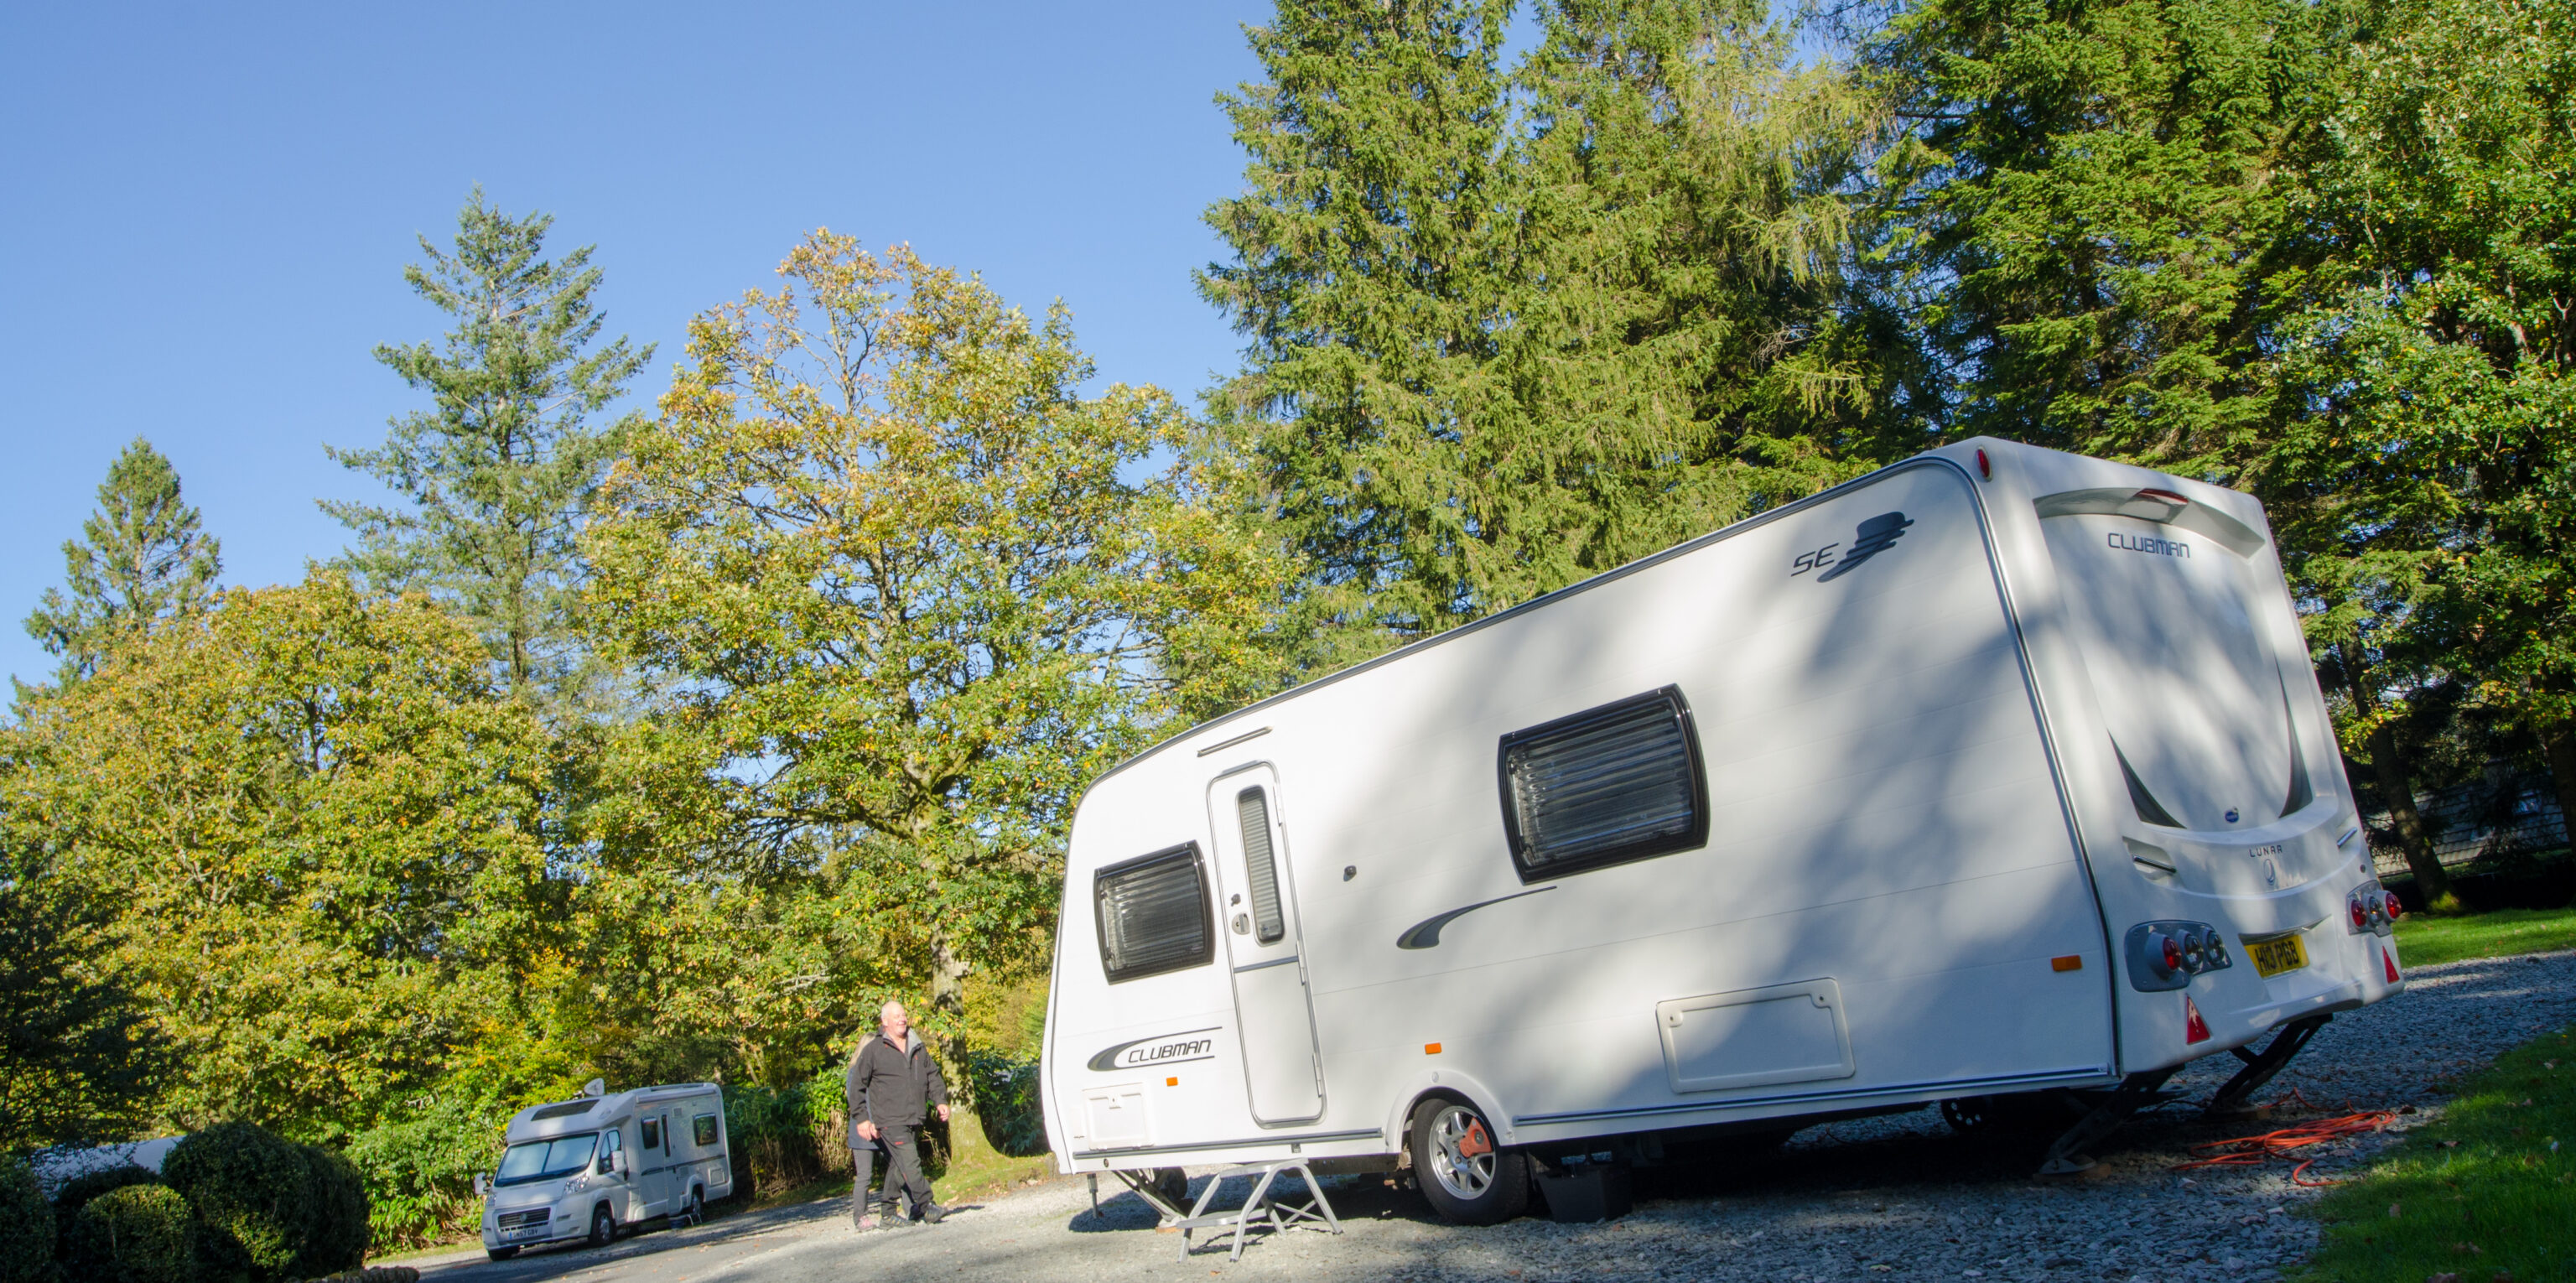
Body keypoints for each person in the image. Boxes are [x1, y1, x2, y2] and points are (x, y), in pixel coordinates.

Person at [847, 1000, 952, 1226]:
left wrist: (940, 1100)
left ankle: (887, 1213)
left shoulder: (917, 1046)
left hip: (914, 1115)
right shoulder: (874, 1050)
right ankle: (927, 1205)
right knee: (910, 1161)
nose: (902, 1019)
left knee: (898, 1164)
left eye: (903, 1015)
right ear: (885, 1021)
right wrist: (862, 1118)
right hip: (889, 1118)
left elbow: (932, 1075)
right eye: (896, 1016)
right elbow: (857, 1087)